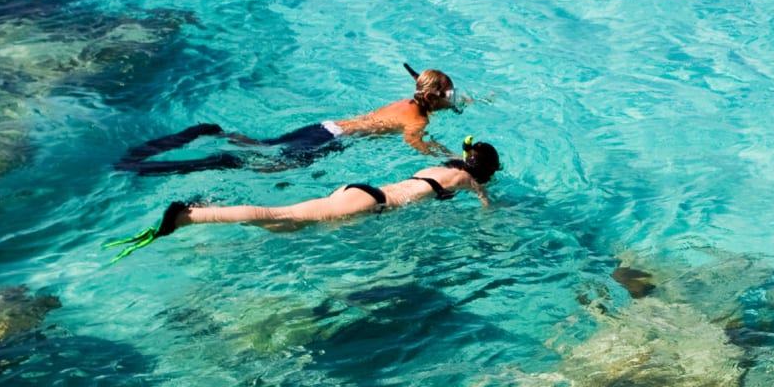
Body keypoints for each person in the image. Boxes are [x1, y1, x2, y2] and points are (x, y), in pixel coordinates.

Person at [107, 140, 500, 256]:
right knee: (280, 213)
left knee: (287, 228)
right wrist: (493, 214)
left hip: (360, 192)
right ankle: (190, 216)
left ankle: (205, 214)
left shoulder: (440, 168)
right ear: (481, 170)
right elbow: (483, 201)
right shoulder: (465, 179)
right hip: (368, 204)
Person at [116, 64, 465, 176]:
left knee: (263, 145)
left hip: (323, 126)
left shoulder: (406, 101)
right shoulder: (418, 121)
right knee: (271, 167)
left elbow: (424, 102)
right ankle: (217, 160)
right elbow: (412, 141)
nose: (453, 99)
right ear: (434, 98)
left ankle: (214, 133)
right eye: (450, 95)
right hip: (332, 141)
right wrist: (445, 157)